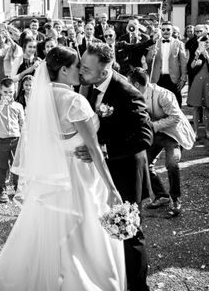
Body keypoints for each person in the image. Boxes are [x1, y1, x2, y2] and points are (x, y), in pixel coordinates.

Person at [0, 46, 125, 290]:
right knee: (82, 236)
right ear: (64, 70)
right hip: (79, 175)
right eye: (77, 65)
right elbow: (93, 151)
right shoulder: (75, 101)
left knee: (49, 233)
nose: (81, 70)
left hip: (53, 177)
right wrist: (112, 189)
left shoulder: (41, 98)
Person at [78, 42, 153, 291]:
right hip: (101, 172)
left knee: (128, 232)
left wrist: (102, 150)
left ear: (104, 70)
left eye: (86, 68)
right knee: (105, 231)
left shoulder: (127, 93)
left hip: (125, 172)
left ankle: (137, 287)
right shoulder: (87, 86)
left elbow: (145, 137)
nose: (81, 71)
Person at [128, 68, 195, 218]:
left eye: (129, 83)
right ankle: (161, 196)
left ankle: (176, 199)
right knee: (144, 163)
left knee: (171, 164)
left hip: (172, 133)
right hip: (155, 135)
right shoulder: (135, 95)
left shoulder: (163, 95)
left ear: (137, 84)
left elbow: (175, 118)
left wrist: (153, 125)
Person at [0, 77, 24, 203]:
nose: (8, 95)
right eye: (5, 92)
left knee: (16, 166)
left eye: (10, 92)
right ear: (0, 91)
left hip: (16, 139)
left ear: (14, 91)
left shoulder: (18, 106)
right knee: (2, 167)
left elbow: (22, 123)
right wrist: (0, 105)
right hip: (1, 140)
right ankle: (1, 190)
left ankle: (18, 189)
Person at [147, 22, 187, 106]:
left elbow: (183, 62)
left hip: (173, 78)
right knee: (158, 103)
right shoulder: (155, 43)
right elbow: (148, 61)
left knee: (175, 103)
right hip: (158, 78)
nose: (166, 31)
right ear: (161, 31)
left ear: (172, 31)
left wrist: (183, 78)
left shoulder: (179, 43)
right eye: (163, 29)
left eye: (168, 29)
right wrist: (151, 54)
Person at [186, 32, 209, 139]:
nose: (206, 43)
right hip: (197, 82)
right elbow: (191, 66)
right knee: (196, 107)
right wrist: (196, 57)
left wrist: (207, 57)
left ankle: (207, 130)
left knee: (208, 107)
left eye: (207, 41)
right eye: (203, 42)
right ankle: (195, 131)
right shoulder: (196, 52)